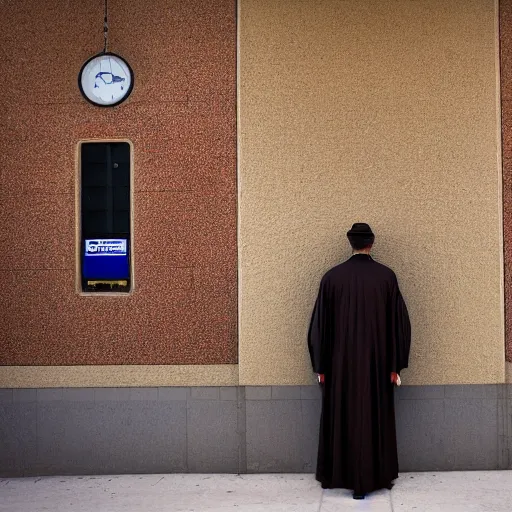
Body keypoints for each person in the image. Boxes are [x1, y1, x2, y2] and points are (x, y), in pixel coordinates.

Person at [308, 223, 411, 499]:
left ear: (350, 242)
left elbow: (320, 327)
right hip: (377, 367)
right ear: (371, 243)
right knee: (373, 416)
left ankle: (339, 474)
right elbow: (398, 326)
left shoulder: (332, 278)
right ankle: (375, 475)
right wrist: (394, 366)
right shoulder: (386, 277)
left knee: (342, 416)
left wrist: (321, 366)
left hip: (339, 368)